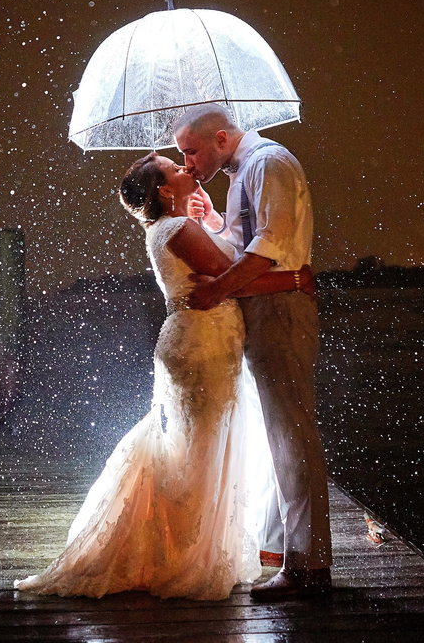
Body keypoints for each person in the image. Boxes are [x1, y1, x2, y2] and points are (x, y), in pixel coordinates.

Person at [14, 152, 314, 600]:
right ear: (163, 191)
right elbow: (229, 278)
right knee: (201, 451)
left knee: (196, 448)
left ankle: (179, 544)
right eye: (175, 168)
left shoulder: (170, 228)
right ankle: (178, 555)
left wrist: (212, 219)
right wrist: (294, 280)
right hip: (202, 344)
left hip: (201, 340)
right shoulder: (177, 229)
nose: (186, 168)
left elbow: (220, 268)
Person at [173, 103, 333, 600]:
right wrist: (217, 221)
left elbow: (269, 248)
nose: (188, 165)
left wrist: (218, 290)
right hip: (266, 306)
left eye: (191, 151)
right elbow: (249, 243)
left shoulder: (268, 162)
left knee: (291, 433)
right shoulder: (246, 169)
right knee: (277, 434)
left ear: (221, 137)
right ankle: (287, 552)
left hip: (281, 309)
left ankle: (308, 567)